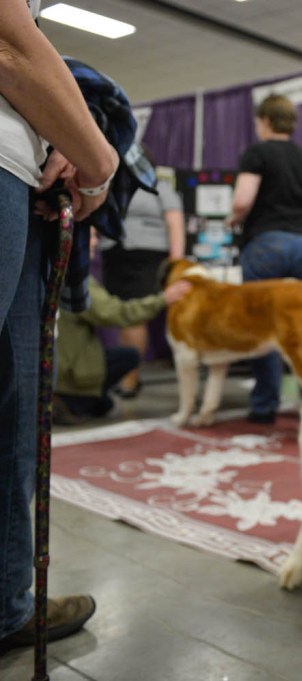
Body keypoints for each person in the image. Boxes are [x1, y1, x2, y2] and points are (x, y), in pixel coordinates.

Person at [1, 0, 121, 654]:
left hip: (22, 181)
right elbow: (8, 44)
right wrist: (97, 158)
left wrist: (55, 137)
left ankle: (8, 602)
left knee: (18, 409)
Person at [227, 94, 302, 425]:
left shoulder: (256, 153)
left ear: (266, 121)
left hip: (265, 243)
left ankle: (264, 405)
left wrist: (233, 218)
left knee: (263, 324)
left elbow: (242, 201)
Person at [54, 230, 191, 425]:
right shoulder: (76, 279)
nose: (95, 242)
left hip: (54, 367)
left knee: (105, 404)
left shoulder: (51, 270)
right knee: (128, 357)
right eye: (90, 236)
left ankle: (70, 397)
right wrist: (163, 299)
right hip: (69, 371)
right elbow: (120, 313)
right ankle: (69, 398)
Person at [99, 151, 186, 399]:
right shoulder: (113, 185)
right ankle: (127, 376)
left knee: (135, 316)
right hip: (115, 254)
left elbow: (175, 224)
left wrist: (176, 263)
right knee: (122, 314)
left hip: (147, 258)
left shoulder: (160, 187)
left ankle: (130, 379)